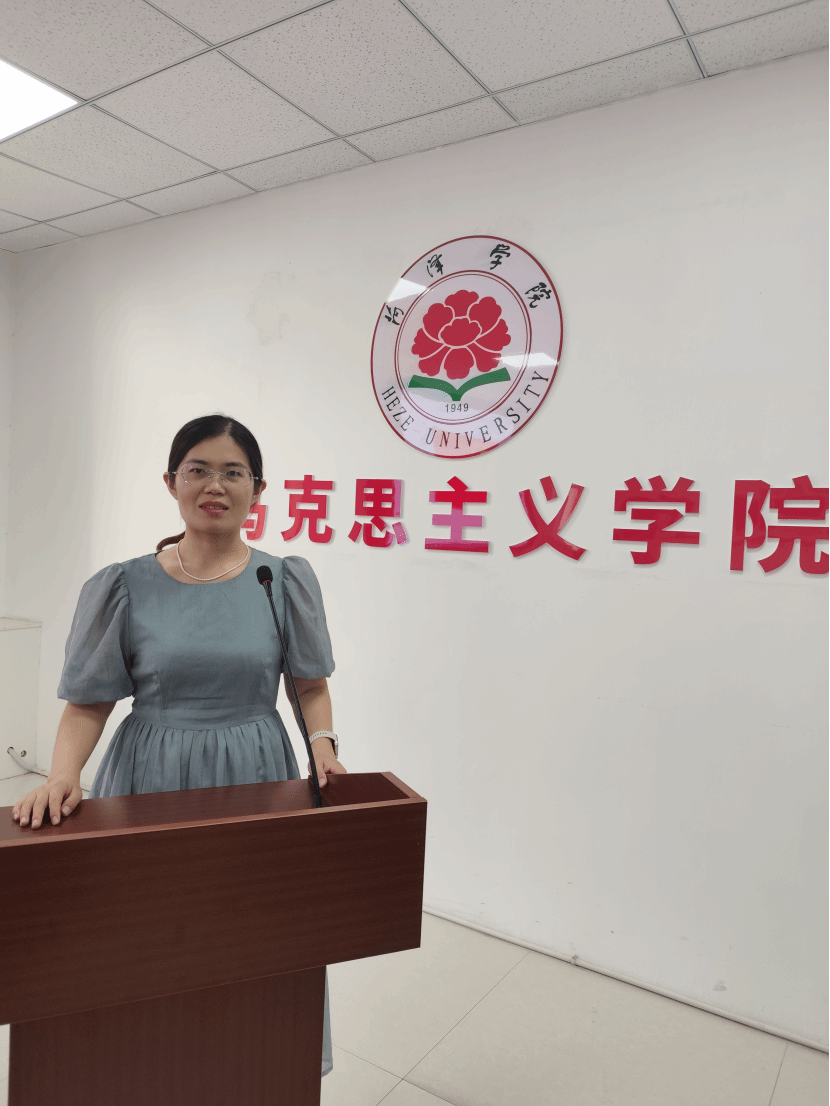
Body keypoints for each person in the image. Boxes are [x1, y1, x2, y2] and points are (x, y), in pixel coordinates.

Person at [11, 413, 345, 1079]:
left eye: (233, 472)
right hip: (150, 775)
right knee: (143, 934)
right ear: (171, 482)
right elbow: (90, 701)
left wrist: (324, 748)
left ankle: (247, 1067)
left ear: (258, 489)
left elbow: (309, 686)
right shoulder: (125, 585)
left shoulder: (282, 580)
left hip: (255, 775)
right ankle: (145, 1067)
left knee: (252, 932)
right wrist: (62, 775)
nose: (215, 485)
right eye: (198, 470)